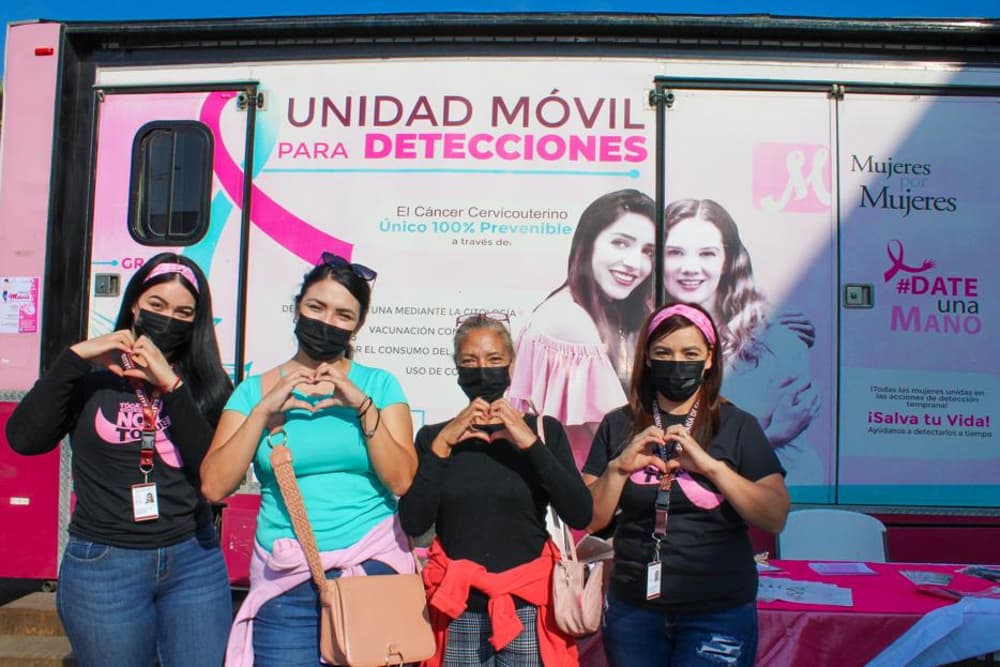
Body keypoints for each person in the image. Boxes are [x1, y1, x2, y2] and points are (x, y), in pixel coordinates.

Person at [6, 253, 233, 667]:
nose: (169, 320)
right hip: (104, 565)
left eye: (184, 312)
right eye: (157, 306)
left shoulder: (207, 382)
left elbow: (214, 475)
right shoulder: (93, 376)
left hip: (193, 560)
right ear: (134, 305)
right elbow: (24, 439)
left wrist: (173, 386)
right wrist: (75, 359)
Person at [201, 251, 417, 667]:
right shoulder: (253, 391)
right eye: (316, 307)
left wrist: (361, 404)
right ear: (297, 308)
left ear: (358, 325)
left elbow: (402, 479)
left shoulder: (379, 385)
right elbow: (214, 484)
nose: (326, 322)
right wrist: (264, 411)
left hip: (371, 572)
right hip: (286, 582)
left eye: (343, 315)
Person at [583, 302, 790, 667]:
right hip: (634, 609)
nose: (676, 363)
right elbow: (591, 518)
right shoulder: (619, 424)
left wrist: (713, 469)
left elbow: (774, 516)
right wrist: (617, 469)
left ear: (709, 359)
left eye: (689, 353)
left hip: (718, 610)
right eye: (664, 353)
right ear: (646, 357)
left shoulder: (738, 425)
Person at [398, 313, 593, 666]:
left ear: (512, 365)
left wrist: (529, 443)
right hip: (458, 609)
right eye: (469, 361)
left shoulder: (544, 430)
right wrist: (443, 445)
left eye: (494, 360)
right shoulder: (434, 437)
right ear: (456, 369)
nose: (482, 370)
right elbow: (414, 522)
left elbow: (580, 512)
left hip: (529, 608)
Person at [662, 198, 822, 482]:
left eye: (707, 254)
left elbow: (793, 455)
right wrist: (768, 435)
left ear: (728, 261)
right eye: (675, 252)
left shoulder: (777, 344)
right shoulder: (640, 339)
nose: (690, 267)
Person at [509, 189, 656, 467]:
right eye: (621, 243)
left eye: (648, 251)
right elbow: (617, 436)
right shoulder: (569, 320)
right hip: (583, 493)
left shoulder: (601, 310)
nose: (635, 263)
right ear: (589, 243)